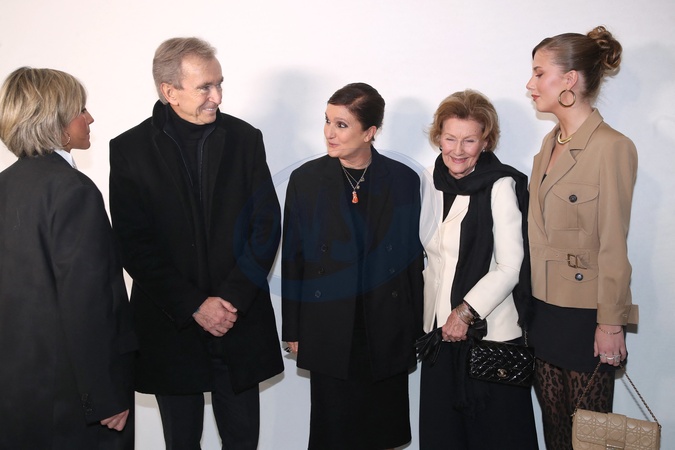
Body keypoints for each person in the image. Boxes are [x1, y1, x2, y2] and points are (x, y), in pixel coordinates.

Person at [109, 37, 283, 449]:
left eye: (219, 84)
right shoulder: (129, 149)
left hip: (237, 321)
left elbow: (266, 226)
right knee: (181, 441)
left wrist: (230, 300)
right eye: (205, 87)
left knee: (243, 440)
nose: (217, 97)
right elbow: (133, 243)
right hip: (172, 325)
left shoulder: (244, 138)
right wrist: (194, 305)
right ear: (170, 91)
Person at [281, 82, 424, 450]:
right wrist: (293, 327)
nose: (329, 132)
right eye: (327, 121)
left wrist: (416, 327)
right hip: (328, 323)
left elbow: (412, 259)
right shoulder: (306, 180)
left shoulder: (404, 180)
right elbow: (294, 257)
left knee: (382, 431)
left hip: (386, 323)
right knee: (334, 431)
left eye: (342, 125)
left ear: (369, 132)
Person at [0, 67, 136, 449]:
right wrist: (104, 395)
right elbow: (87, 301)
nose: (89, 118)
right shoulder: (73, 190)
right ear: (55, 121)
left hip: (17, 398)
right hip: (74, 403)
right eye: (80, 109)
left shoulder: (5, 186)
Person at [526, 26, 639, 449]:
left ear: (569, 79)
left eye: (540, 73)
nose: (530, 84)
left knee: (589, 438)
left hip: (586, 314)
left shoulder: (612, 147)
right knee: (555, 434)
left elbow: (614, 243)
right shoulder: (547, 144)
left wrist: (611, 322)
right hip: (543, 309)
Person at [418, 89, 538, 449]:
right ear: (438, 136)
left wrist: (465, 312)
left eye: (469, 140)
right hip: (439, 337)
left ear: (486, 141)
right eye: (450, 138)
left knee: (497, 439)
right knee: (444, 438)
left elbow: (510, 265)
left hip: (490, 338)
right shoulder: (428, 180)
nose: (458, 150)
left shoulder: (502, 184)